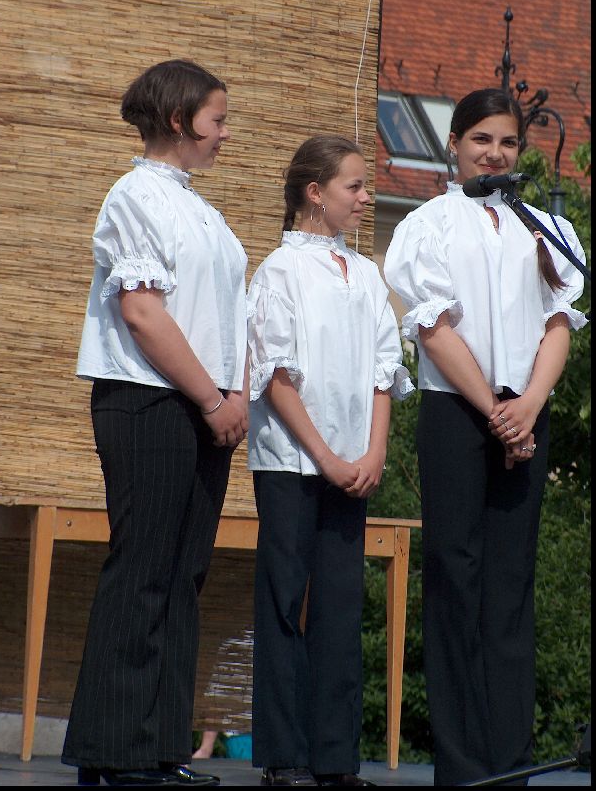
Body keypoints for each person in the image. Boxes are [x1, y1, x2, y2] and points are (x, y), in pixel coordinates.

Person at [383, 88, 588, 786]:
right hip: (457, 412)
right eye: (481, 140)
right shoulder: (429, 224)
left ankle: (510, 762)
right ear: (454, 143)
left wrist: (527, 404)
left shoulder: (545, 226)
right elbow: (434, 328)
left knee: (510, 585)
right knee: (454, 577)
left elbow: (559, 322)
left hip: (527, 412)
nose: (495, 154)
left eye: (507, 142)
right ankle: (462, 763)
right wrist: (494, 409)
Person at [61, 59, 249, 787]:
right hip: (148, 400)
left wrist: (232, 394)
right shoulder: (135, 196)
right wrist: (211, 398)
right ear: (178, 120)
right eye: (217, 120)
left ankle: (159, 745)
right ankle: (113, 752)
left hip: (202, 405)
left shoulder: (200, 209)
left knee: (182, 575)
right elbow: (142, 312)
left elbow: (226, 313)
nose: (225, 134)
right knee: (142, 571)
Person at [247, 135, 414, 787]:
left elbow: (383, 370)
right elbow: (275, 375)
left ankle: (335, 760)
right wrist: (324, 455)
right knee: (284, 602)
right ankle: (285, 758)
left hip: (353, 465)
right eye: (355, 185)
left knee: (341, 610)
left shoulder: (366, 275)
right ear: (315, 193)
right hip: (292, 462)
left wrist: (374, 451)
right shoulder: (280, 271)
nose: (367, 196)